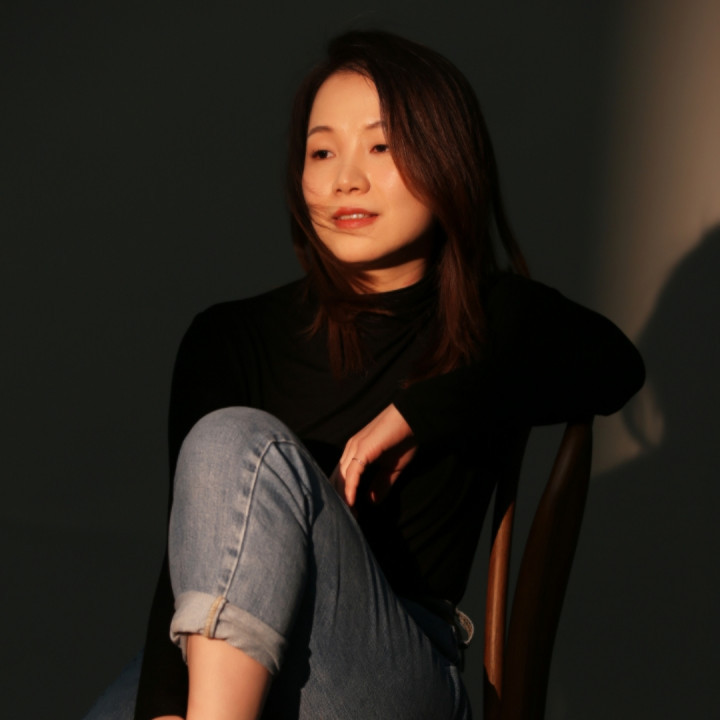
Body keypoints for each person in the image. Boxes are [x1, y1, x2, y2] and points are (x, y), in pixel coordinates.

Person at [84, 30, 645, 720]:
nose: (345, 179)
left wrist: (420, 413)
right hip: (226, 663)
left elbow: (614, 365)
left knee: (233, 440)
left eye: (381, 147)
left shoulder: (493, 317)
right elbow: (190, 566)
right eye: (322, 152)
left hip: (391, 673)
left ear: (446, 155)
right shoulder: (228, 338)